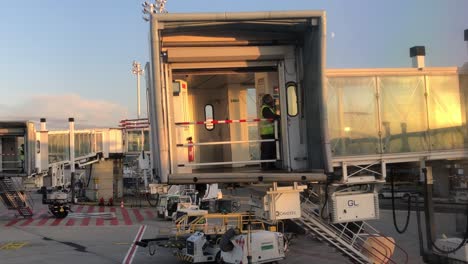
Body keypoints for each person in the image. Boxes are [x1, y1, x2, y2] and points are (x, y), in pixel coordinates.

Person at [259, 94, 280, 169]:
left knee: (271, 150)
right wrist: (279, 117)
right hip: (267, 133)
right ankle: (265, 166)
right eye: (270, 99)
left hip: (271, 133)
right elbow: (270, 117)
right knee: (266, 150)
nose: (272, 101)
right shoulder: (265, 109)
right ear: (267, 100)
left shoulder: (269, 108)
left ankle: (271, 165)